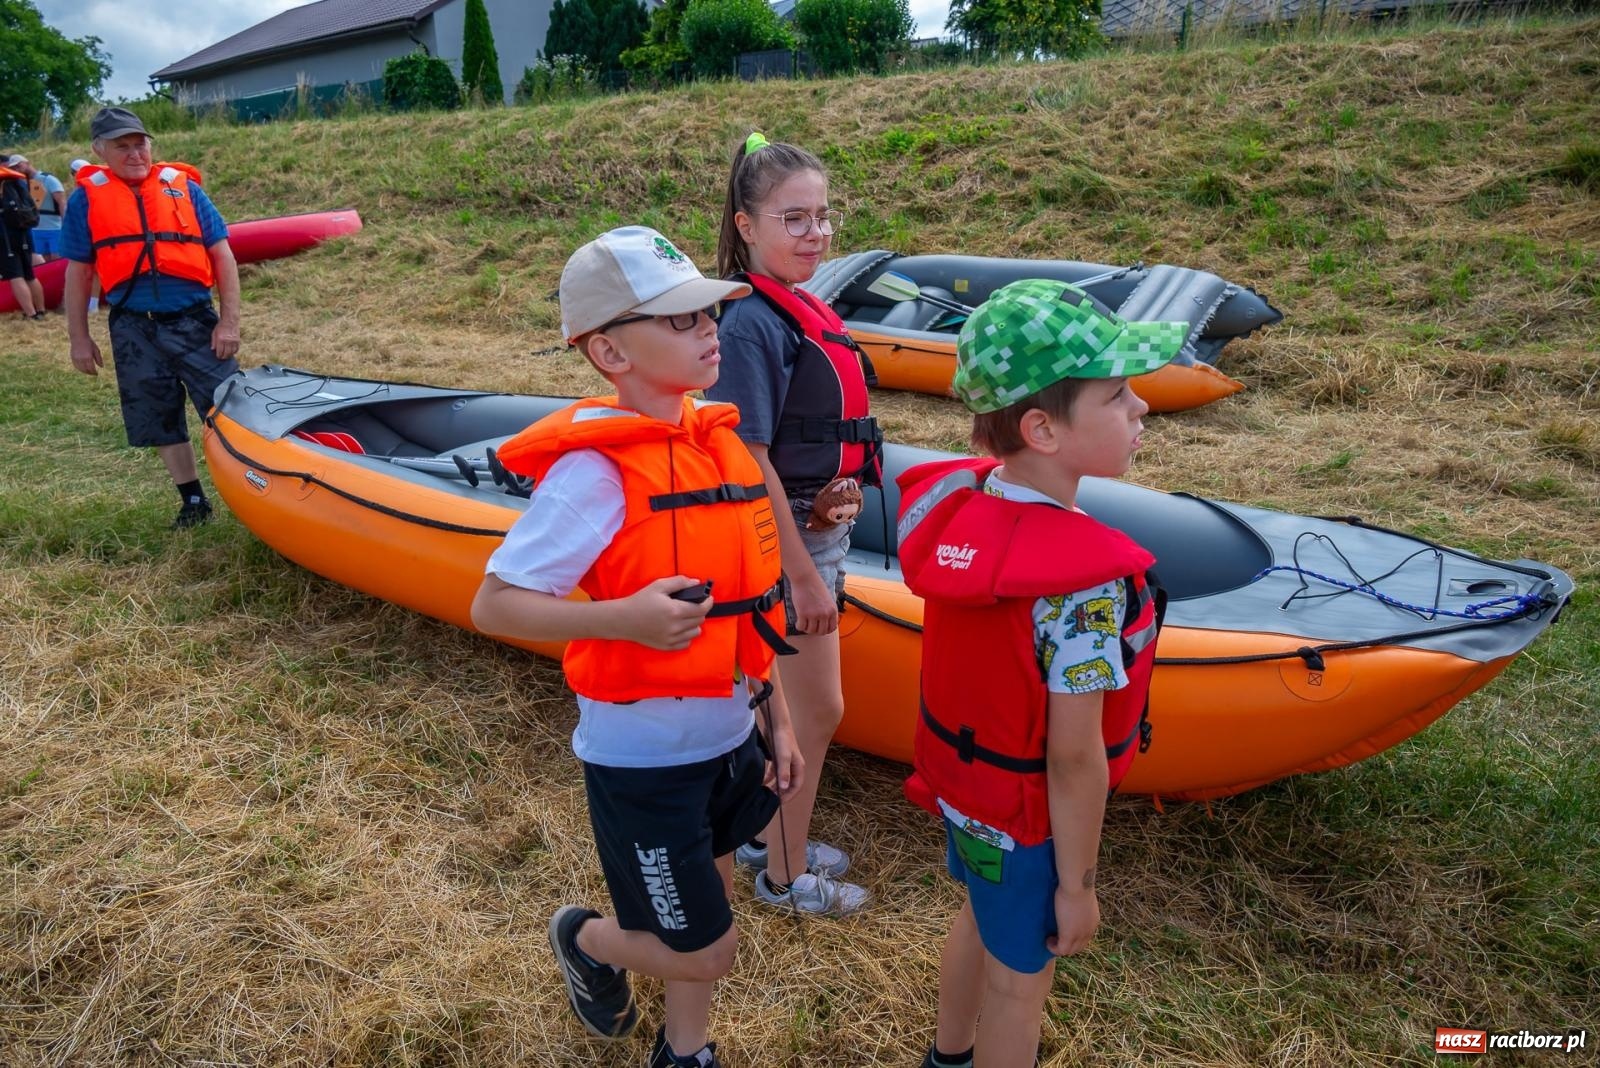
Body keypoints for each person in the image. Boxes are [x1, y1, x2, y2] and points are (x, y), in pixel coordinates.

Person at [471, 225, 804, 1068]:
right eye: (681, 321)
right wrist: (622, 618)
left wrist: (777, 716)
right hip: (644, 761)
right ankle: (586, 939)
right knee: (709, 946)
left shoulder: (714, 440)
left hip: (729, 735)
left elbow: (745, 611)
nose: (708, 332)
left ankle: (683, 1051)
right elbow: (496, 603)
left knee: (714, 899)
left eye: (707, 315)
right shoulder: (595, 474)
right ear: (609, 352)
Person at [895, 279, 1190, 1068]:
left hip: (968, 795)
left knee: (979, 917)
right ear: (1042, 430)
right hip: (1026, 820)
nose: (1142, 410)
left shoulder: (969, 512)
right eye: (1119, 395)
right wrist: (1078, 884)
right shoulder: (1083, 584)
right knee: (1020, 987)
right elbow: (1072, 755)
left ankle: (947, 1057)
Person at [705, 131, 881, 916]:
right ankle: (783, 875)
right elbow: (748, 456)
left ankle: (762, 836)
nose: (817, 235)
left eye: (824, 218)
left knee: (788, 704)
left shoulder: (800, 305)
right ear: (747, 226)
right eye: (795, 220)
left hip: (816, 530)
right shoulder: (750, 322)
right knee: (813, 710)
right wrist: (803, 571)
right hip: (787, 546)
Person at [60, 106, 243, 530]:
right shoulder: (87, 200)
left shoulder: (185, 190)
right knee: (157, 415)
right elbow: (78, 274)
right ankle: (193, 500)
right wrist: (79, 339)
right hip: (132, 325)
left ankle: (250, 489)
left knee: (229, 409)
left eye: (139, 143)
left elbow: (223, 256)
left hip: (194, 320)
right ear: (99, 150)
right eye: (121, 146)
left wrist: (228, 323)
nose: (134, 153)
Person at [0, 156, 45, 319]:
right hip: (24, 233)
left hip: (5, 236)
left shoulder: (3, 183)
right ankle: (40, 310)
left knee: (15, 276)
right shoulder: (20, 182)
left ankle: (30, 314)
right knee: (30, 274)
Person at [6, 154, 67, 260]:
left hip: (55, 228)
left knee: (58, 259)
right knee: (44, 263)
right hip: (35, 230)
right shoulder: (21, 184)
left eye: (18, 166)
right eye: (13, 168)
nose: (16, 169)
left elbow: (62, 202)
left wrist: (66, 225)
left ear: (27, 163)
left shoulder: (48, 179)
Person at [67, 159, 100, 311]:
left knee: (95, 269)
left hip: (95, 231)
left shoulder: (88, 189)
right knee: (90, 269)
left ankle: (93, 304)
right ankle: (91, 303)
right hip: (90, 231)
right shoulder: (85, 188)